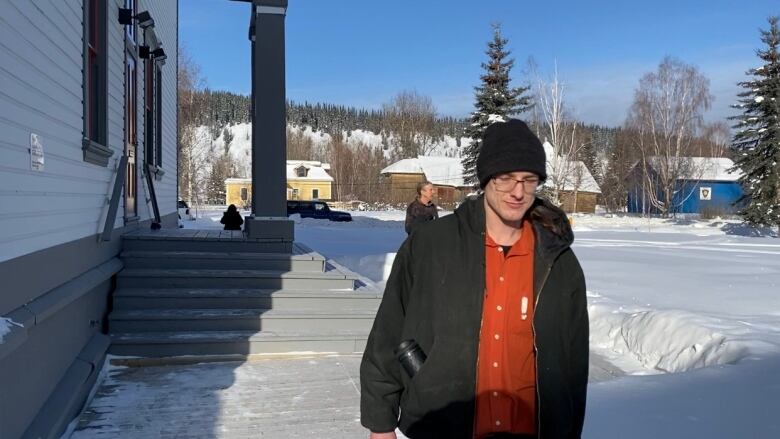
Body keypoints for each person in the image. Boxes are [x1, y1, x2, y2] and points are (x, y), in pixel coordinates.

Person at [360, 119, 588, 439]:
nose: (518, 191)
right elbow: (388, 331)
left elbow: (574, 367)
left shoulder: (559, 262)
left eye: (528, 179)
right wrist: (380, 422)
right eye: (505, 177)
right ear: (485, 179)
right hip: (443, 424)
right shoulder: (431, 245)